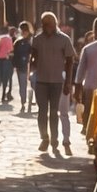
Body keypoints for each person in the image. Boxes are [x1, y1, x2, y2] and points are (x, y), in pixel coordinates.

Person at [30, 12, 76, 153]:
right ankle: (44, 138)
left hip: (57, 81)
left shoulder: (64, 39)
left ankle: (54, 139)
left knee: (54, 111)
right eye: (44, 24)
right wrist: (32, 73)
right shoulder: (38, 39)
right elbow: (33, 58)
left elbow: (69, 62)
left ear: (54, 24)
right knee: (42, 112)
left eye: (48, 24)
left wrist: (68, 82)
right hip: (41, 81)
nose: (46, 27)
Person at [12, 21, 33, 112]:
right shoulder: (18, 42)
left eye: (25, 30)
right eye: (22, 30)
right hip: (21, 67)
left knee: (31, 86)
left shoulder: (32, 41)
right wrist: (14, 65)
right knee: (22, 86)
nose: (24, 32)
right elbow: (15, 55)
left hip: (31, 67)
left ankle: (29, 103)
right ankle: (23, 103)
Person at [0, 26, 15, 103]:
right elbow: (11, 50)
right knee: (5, 79)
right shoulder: (9, 39)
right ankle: (3, 96)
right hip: (6, 60)